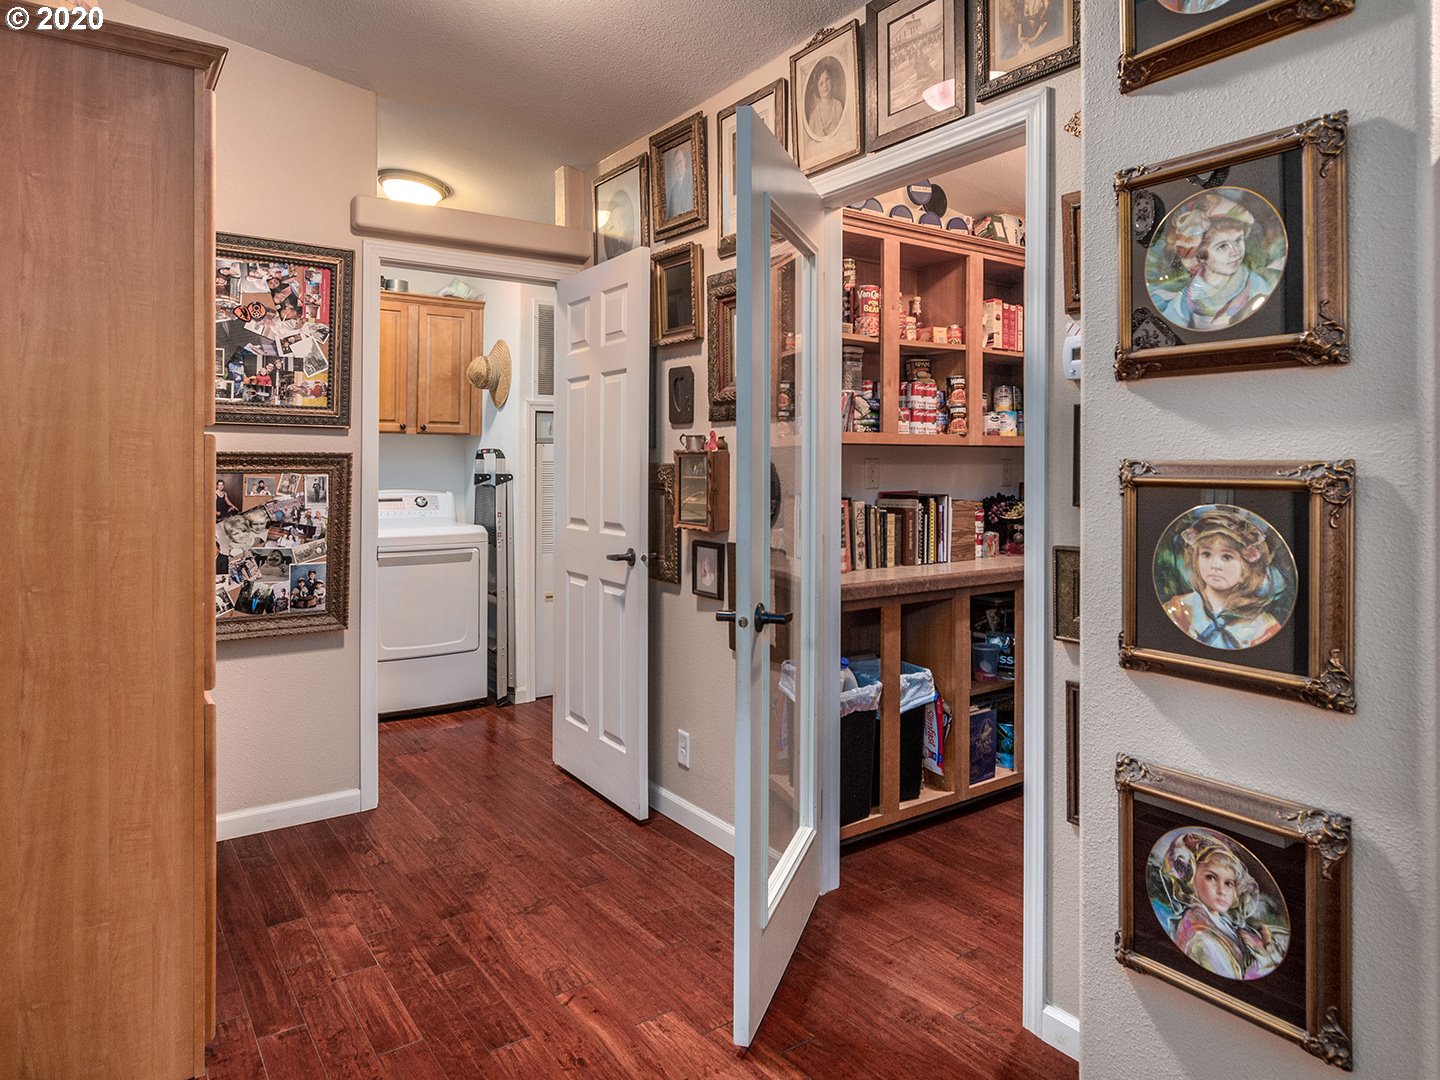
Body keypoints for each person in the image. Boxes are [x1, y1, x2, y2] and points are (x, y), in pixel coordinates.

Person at [1159, 832, 1288, 981]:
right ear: (1191, 881)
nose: (1222, 890)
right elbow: (1234, 980)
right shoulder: (1202, 940)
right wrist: (1264, 952)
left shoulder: (1224, 922)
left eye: (1229, 883)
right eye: (1211, 877)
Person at [1152, 192, 1277, 331]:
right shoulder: (1186, 300)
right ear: (1200, 257)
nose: (1235, 251)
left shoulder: (1259, 283)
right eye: (1222, 246)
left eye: (1238, 240)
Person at [1161, 509, 1284, 649]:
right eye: (1206, 554)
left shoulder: (1262, 627)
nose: (1215, 565)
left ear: (1247, 568)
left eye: (1227, 557)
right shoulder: (1180, 609)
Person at [805, 61, 843, 139]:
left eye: (827, 79)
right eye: (821, 84)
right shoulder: (813, 117)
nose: (825, 85)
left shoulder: (838, 106)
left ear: (832, 81)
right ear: (817, 89)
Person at [664, 144, 694, 218]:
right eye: (676, 164)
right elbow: (670, 216)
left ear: (684, 161)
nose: (678, 166)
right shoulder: (674, 189)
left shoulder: (692, 179)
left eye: (680, 162)